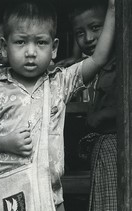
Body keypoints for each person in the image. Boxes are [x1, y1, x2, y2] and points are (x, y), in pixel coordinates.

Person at [0, 0, 115, 210]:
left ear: (54, 48)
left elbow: (98, 59)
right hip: (4, 195)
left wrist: (113, 8)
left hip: (49, 195)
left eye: (40, 43)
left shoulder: (59, 83)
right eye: (20, 42)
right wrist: (5, 143)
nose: (30, 52)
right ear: (4, 46)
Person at [69, 0, 117, 210]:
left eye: (96, 27)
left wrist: (100, 116)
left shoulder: (122, 63)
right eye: (80, 32)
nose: (88, 38)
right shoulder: (94, 69)